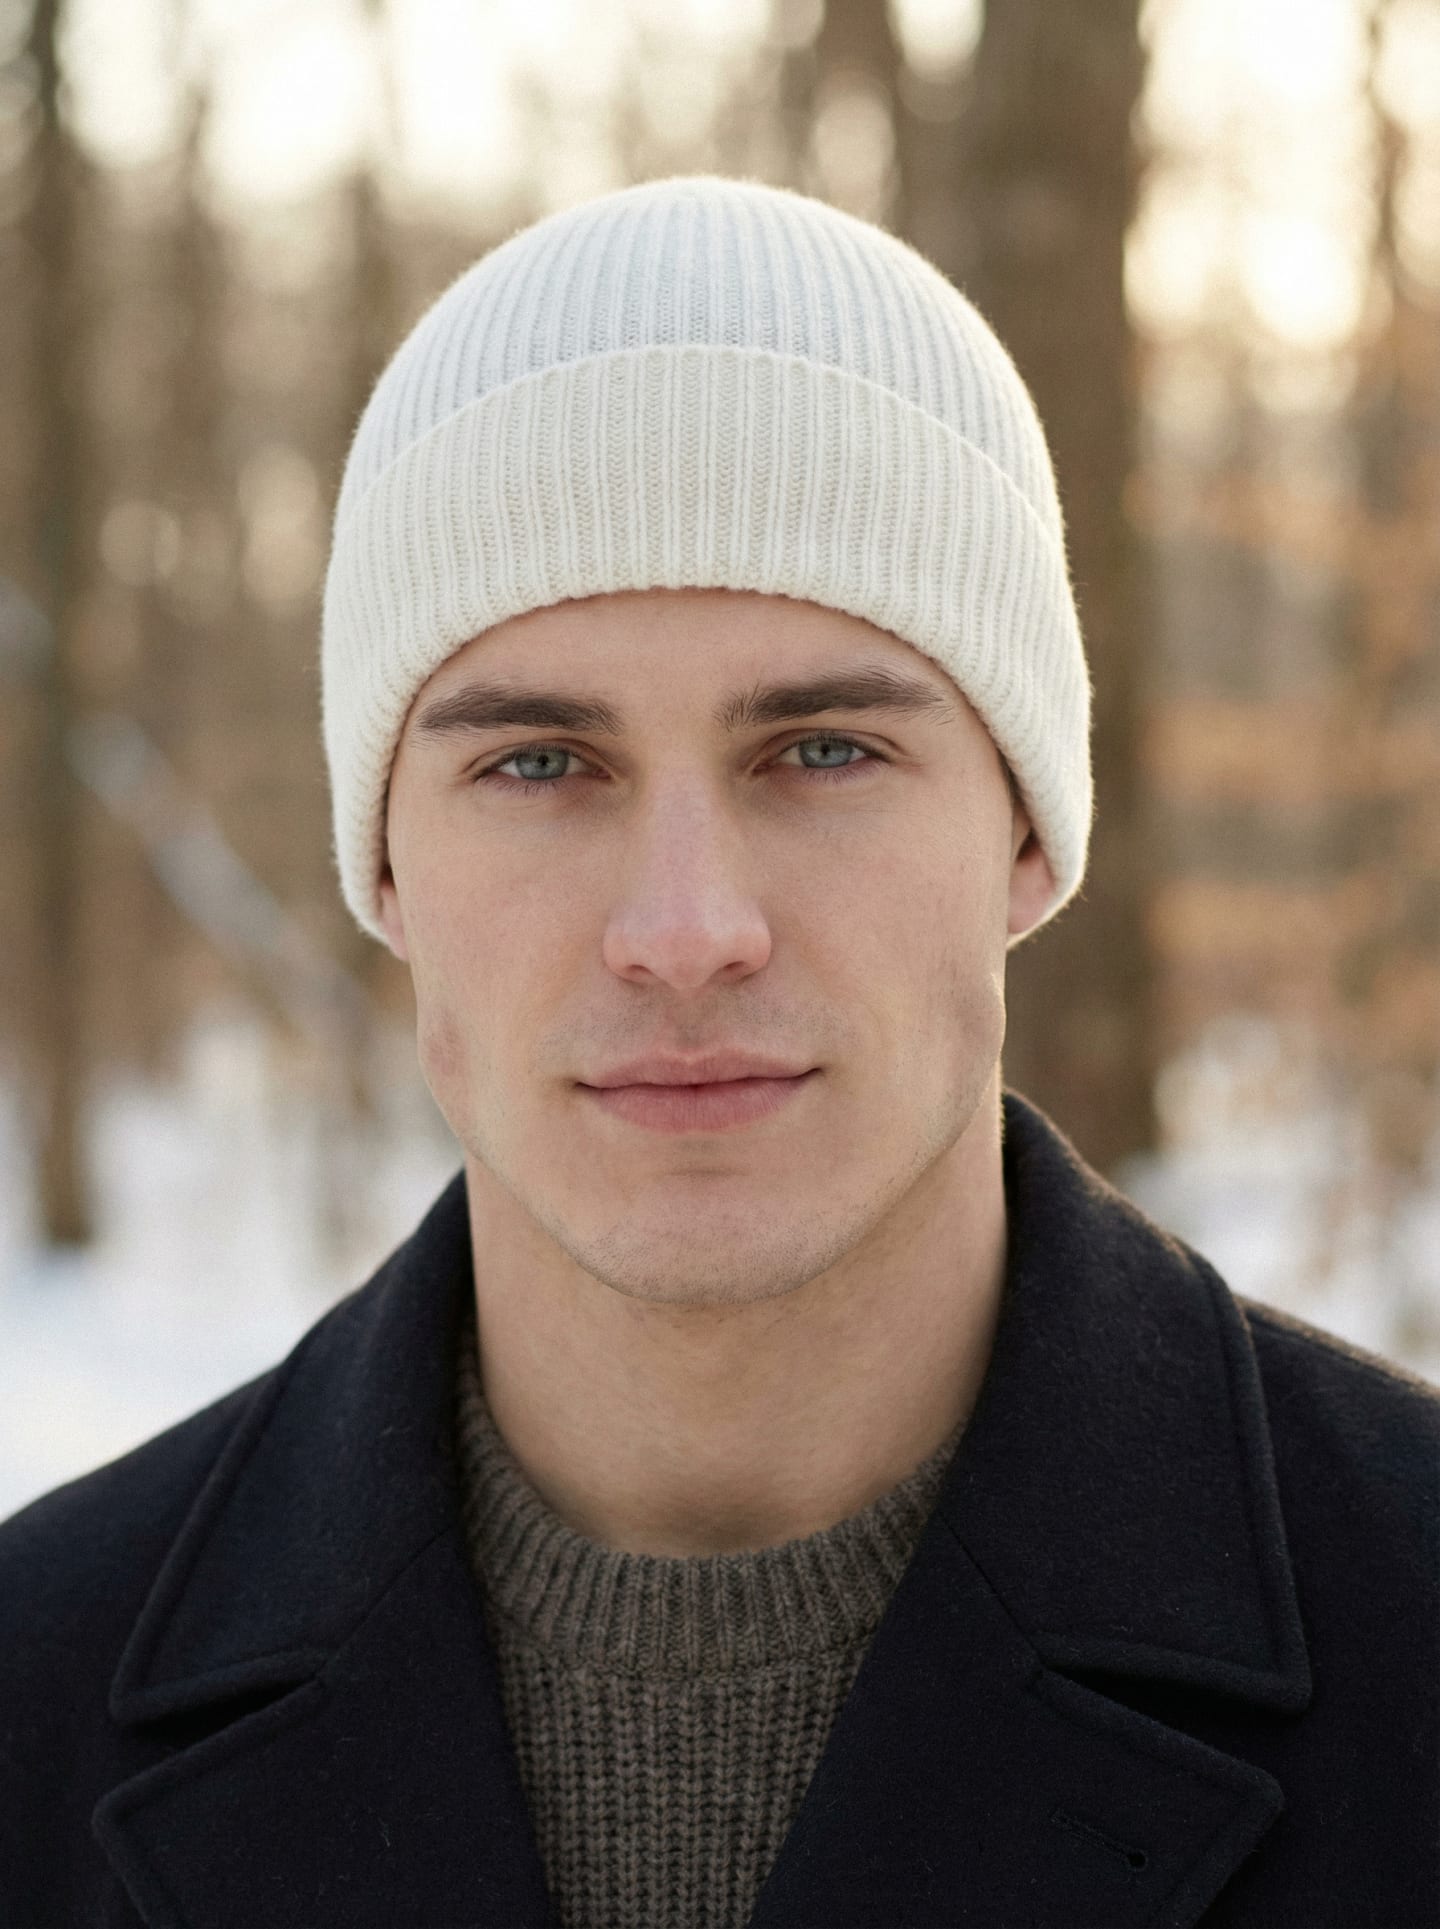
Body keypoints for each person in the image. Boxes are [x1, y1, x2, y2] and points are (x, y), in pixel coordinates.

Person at [1, 176, 1435, 1929]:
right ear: (385, 869)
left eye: (823, 751)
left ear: (1029, 840)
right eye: (539, 764)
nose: (685, 927)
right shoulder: (37, 1698)